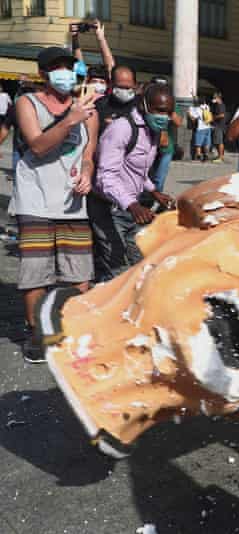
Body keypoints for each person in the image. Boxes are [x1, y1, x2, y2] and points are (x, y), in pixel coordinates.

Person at [13, 47, 99, 363]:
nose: (64, 73)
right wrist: (69, 120)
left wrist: (87, 173)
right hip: (35, 198)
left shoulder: (89, 110)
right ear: (43, 74)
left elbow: (89, 154)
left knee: (79, 273)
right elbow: (37, 146)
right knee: (36, 272)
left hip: (72, 201)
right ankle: (38, 332)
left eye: (68, 67)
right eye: (56, 67)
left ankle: (73, 328)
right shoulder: (28, 103)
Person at [89, 83, 175, 282]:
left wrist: (154, 191)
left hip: (130, 209)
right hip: (109, 208)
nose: (164, 117)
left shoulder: (152, 131)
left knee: (141, 266)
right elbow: (105, 177)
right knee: (117, 271)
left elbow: (135, 170)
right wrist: (132, 205)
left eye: (168, 112)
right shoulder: (122, 129)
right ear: (144, 105)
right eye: (160, 110)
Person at [148, 76, 183, 193]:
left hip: (166, 148)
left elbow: (178, 122)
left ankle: (156, 199)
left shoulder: (171, 103)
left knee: (159, 180)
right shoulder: (144, 102)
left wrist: (168, 109)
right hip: (147, 145)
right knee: (144, 177)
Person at [96, 65, 138, 133]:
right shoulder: (100, 105)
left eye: (127, 88)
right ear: (111, 84)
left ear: (135, 85)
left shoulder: (140, 107)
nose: (124, 91)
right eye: (120, 87)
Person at [188, 97, 212, 162]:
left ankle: (198, 156)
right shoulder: (207, 107)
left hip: (200, 128)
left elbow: (193, 119)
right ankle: (206, 155)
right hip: (208, 127)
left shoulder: (197, 109)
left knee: (198, 143)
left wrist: (189, 113)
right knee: (206, 143)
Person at [210, 92, 226, 163]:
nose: (213, 99)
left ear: (218, 98)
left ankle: (221, 157)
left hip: (219, 126)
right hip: (217, 125)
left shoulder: (220, 105)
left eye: (214, 97)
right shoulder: (217, 105)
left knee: (219, 142)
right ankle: (220, 155)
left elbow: (222, 115)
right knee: (217, 142)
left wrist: (213, 118)